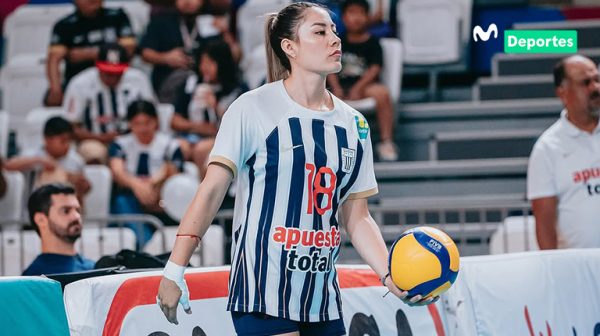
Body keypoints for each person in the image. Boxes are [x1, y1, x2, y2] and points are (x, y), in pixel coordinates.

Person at [156, 3, 435, 335]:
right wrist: (175, 268)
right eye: (320, 32)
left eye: (333, 30)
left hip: (322, 298)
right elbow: (211, 190)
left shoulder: (354, 124)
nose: (335, 39)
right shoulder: (251, 107)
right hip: (263, 292)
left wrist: (389, 276)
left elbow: (357, 217)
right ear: (289, 47)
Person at [527, 54, 600, 249]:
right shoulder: (548, 148)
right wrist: (552, 270)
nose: (595, 88)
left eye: (597, 79)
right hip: (578, 270)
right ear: (563, 92)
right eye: (585, 82)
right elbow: (544, 223)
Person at [327, 0, 397, 161]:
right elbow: (329, 66)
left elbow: (375, 68)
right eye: (351, 13)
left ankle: (387, 141)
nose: (356, 18)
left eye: (360, 13)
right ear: (343, 18)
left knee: (382, 93)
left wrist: (359, 87)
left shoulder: (373, 42)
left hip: (365, 86)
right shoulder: (336, 41)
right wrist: (336, 87)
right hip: (340, 86)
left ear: (367, 17)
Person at [109, 100, 184, 249]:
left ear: (155, 121)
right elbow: (117, 171)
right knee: (121, 202)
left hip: (162, 199)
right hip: (131, 197)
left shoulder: (170, 144)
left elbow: (174, 171)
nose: (143, 128)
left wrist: (152, 184)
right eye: (137, 123)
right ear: (130, 124)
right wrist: (137, 186)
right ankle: (147, 247)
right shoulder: (120, 144)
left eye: (147, 122)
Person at [63, 43, 155, 164]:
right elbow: (70, 127)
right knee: (93, 152)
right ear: (97, 66)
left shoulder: (138, 79)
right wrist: (102, 138)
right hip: (95, 140)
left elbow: (152, 116)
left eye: (117, 73)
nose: (112, 78)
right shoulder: (80, 84)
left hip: (134, 139)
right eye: (107, 72)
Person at [140, 0, 241, 103]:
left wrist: (225, 33)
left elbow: (235, 56)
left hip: (209, 84)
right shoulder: (161, 21)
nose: (188, 1)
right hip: (170, 82)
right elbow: (145, 53)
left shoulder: (210, 21)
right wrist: (165, 58)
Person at [172, 40, 246, 178]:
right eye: (202, 62)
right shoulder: (191, 84)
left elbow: (240, 125)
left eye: (210, 63)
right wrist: (198, 127)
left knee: (201, 150)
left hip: (221, 138)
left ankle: (205, 196)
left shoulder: (237, 89)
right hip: (192, 135)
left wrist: (215, 105)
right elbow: (175, 121)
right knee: (177, 148)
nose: (204, 67)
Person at [45, 0, 136, 106]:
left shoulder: (118, 17)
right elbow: (53, 60)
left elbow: (128, 50)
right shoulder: (64, 25)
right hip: (77, 81)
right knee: (52, 99)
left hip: (115, 77)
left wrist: (84, 54)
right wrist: (55, 89)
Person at [4, 117, 90, 203]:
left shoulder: (76, 160)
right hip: (33, 209)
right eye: (63, 141)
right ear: (47, 139)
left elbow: (81, 192)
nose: (67, 145)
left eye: (69, 141)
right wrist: (40, 161)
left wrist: (83, 186)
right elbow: (7, 166)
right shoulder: (32, 155)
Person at [22, 183, 95, 276]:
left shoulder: (94, 266)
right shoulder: (34, 279)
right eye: (66, 211)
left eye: (78, 210)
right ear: (41, 220)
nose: (76, 216)